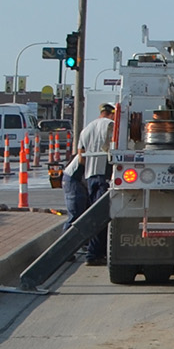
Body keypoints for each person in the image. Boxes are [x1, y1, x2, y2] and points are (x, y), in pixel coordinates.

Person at [66, 103, 116, 265]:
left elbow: (81, 157)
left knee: (90, 215)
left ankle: (77, 251)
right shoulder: (110, 125)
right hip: (102, 176)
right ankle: (93, 255)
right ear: (110, 114)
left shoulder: (87, 129)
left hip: (90, 176)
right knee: (99, 217)